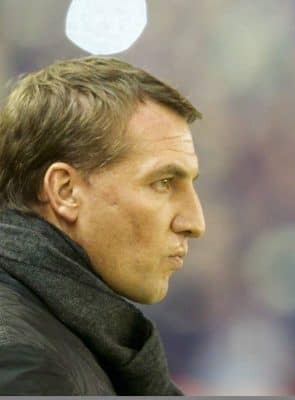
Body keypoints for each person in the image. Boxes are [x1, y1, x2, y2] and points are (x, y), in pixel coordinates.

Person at [0, 56, 205, 395]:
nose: (195, 223)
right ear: (65, 192)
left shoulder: (79, 340)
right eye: (164, 182)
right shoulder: (23, 364)